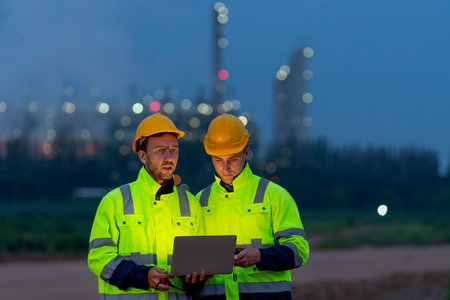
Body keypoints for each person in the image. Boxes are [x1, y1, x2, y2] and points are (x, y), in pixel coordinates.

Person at [88, 113, 205, 300]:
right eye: (160, 150)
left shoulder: (191, 204)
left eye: (173, 150)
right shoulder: (115, 201)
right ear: (142, 156)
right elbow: (98, 258)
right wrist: (142, 276)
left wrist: (195, 280)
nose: (169, 157)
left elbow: (199, 261)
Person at [195, 113, 309, 300]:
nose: (225, 168)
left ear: (246, 152)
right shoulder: (200, 200)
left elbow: (300, 251)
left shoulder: (275, 196)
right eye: (218, 160)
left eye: (232, 159)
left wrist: (260, 256)